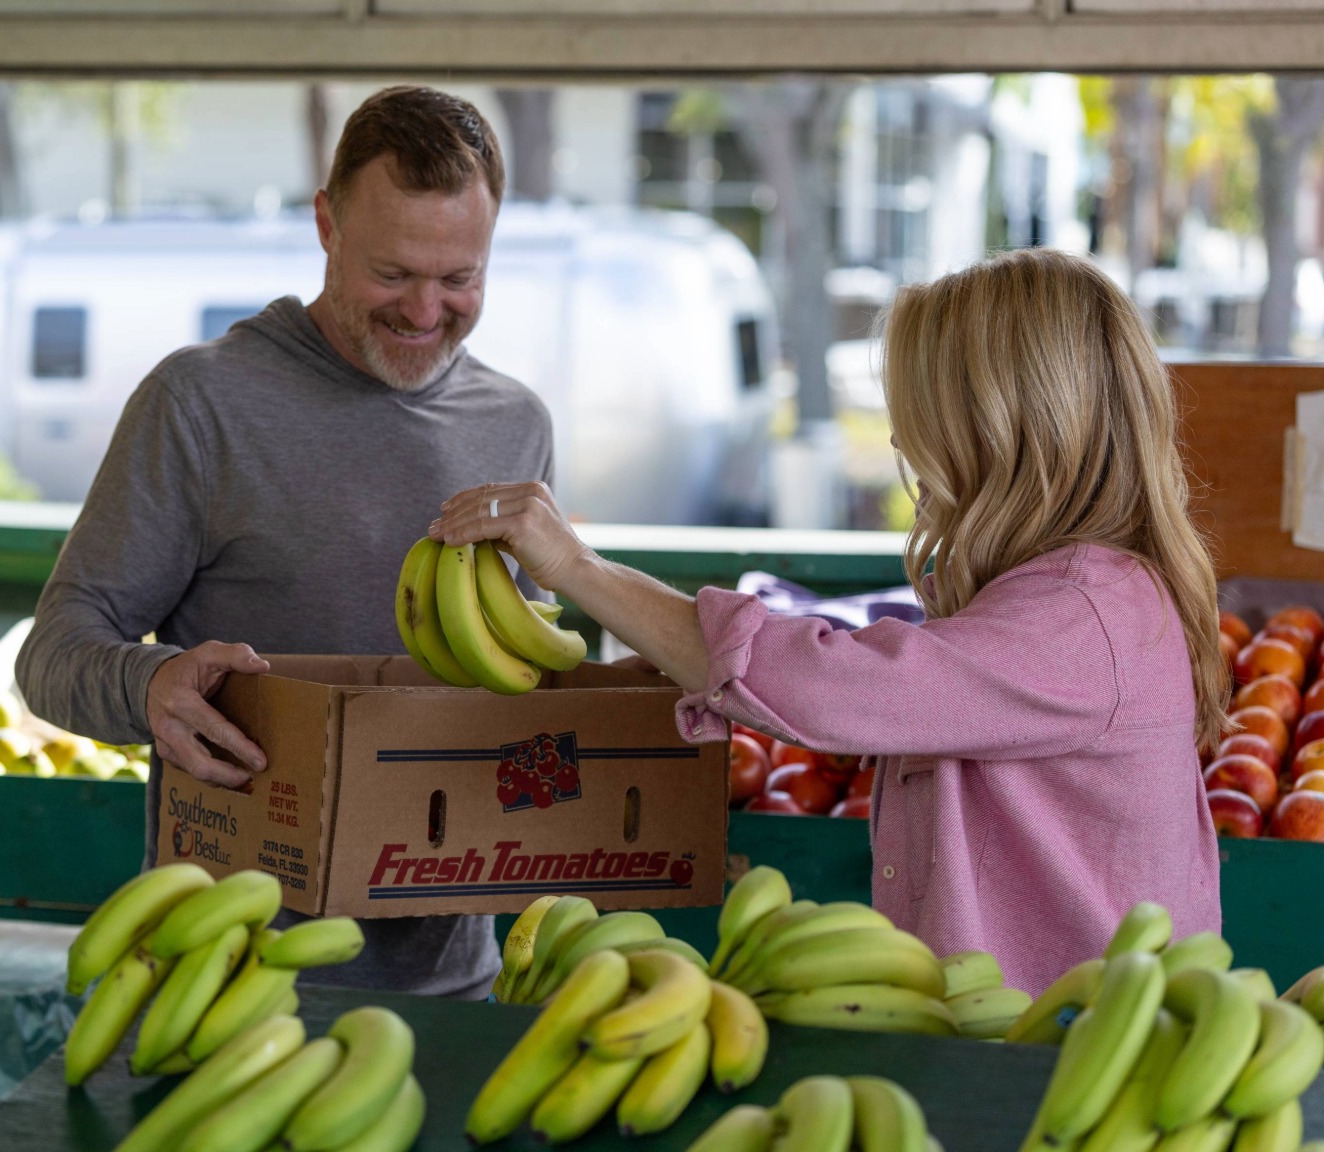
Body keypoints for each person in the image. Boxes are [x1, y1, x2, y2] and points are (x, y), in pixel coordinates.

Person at [432, 248, 1229, 993]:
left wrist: (579, 568)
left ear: (1003, 427)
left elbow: (836, 688)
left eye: (922, 414)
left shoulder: (1083, 617)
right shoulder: (1075, 597)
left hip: (1070, 1051)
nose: (900, 439)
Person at [17, 86, 550, 999]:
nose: (426, 310)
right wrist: (150, 686)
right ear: (326, 225)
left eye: (459, 279)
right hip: (226, 979)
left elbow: (520, 690)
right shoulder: (200, 403)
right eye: (393, 273)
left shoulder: (516, 426)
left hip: (454, 981)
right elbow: (51, 655)